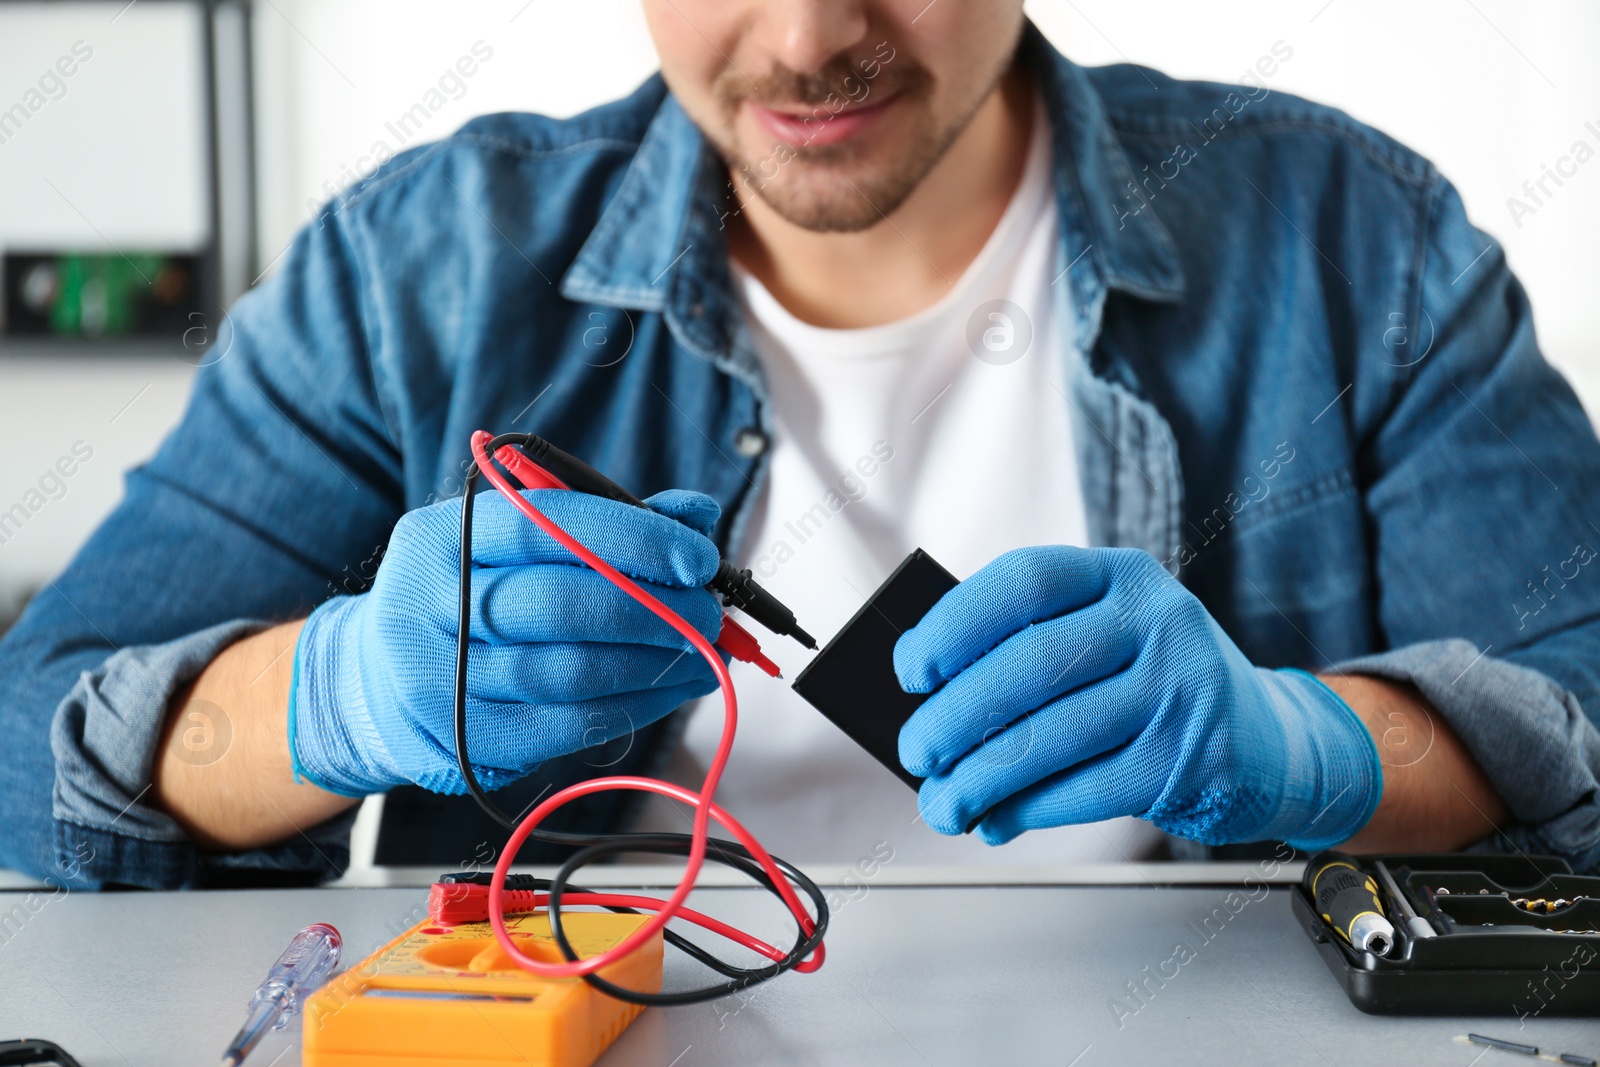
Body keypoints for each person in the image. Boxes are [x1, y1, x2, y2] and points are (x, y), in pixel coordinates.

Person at [4, 1, 1598, 890]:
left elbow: (1587, 703)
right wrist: (330, 699)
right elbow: (24, 758)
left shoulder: (1360, 242)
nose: (811, 33)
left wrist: (1310, 747)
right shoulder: (410, 268)